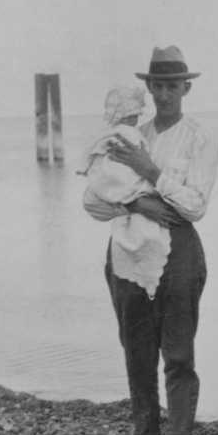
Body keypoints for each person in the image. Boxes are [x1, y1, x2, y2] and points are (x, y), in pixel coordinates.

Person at [83, 46, 218, 435]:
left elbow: (194, 206)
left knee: (178, 352)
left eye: (172, 86)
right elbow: (92, 200)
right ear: (148, 88)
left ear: (186, 88)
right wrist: (136, 203)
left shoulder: (200, 139)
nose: (163, 95)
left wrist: (151, 170)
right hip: (128, 253)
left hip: (178, 250)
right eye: (157, 86)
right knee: (137, 352)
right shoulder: (126, 135)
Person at [80, 86, 170, 298]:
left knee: (131, 234)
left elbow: (96, 163)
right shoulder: (133, 135)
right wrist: (136, 201)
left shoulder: (108, 135)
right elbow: (91, 201)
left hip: (113, 190)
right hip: (131, 191)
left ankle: (145, 277)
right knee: (147, 236)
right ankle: (148, 278)